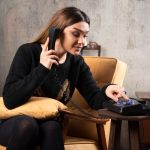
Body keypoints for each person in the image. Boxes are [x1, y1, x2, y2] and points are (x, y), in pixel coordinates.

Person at [0, 6, 128, 150]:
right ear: (57, 32)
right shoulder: (27, 52)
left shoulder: (76, 63)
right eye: (75, 34)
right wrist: (42, 69)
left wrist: (107, 90)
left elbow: (94, 99)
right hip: (14, 123)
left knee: (52, 128)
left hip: (47, 123)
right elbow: (10, 100)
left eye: (85, 35)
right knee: (28, 125)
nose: (83, 42)